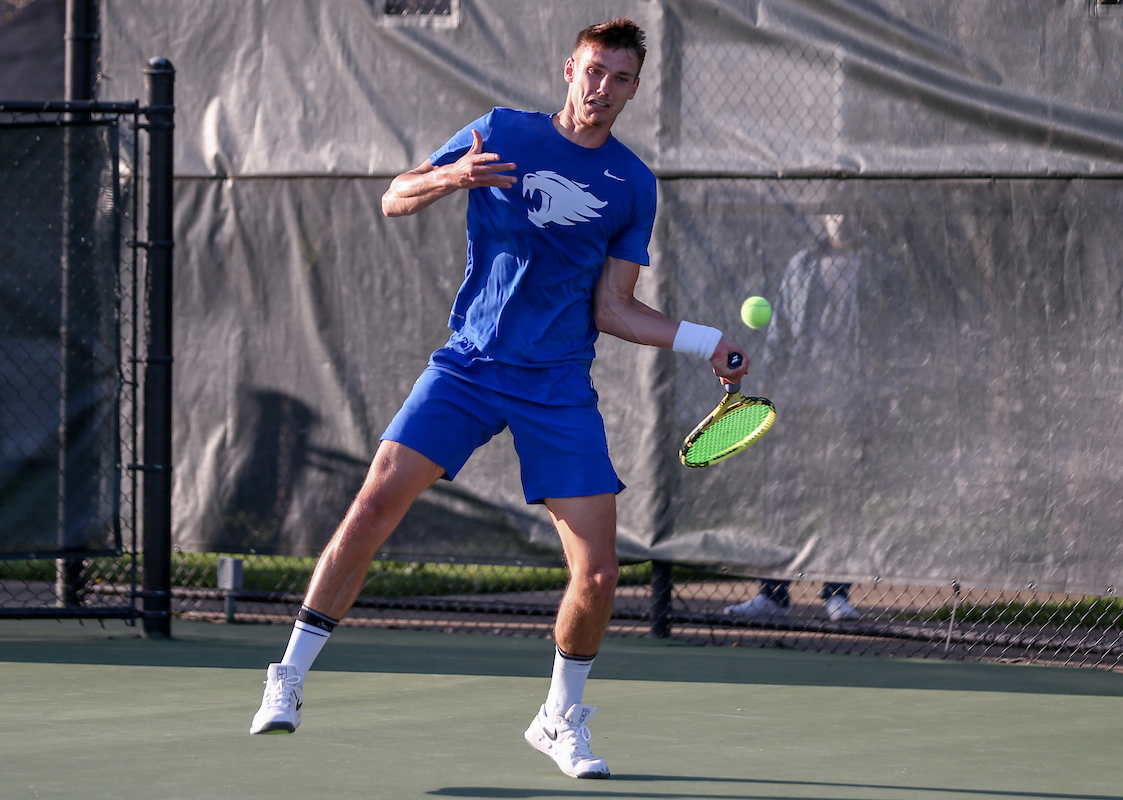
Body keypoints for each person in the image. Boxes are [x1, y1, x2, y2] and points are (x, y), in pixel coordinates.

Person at [248, 19, 748, 780]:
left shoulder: (632, 184)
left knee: (602, 575)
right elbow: (394, 198)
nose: (603, 89)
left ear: (634, 90)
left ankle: (558, 719)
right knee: (373, 505)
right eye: (593, 72)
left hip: (556, 387)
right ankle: (286, 677)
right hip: (469, 366)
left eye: (620, 79)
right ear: (568, 70)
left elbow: (614, 307)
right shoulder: (501, 132)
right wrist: (453, 177)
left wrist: (706, 339)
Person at [722, 208, 909, 624]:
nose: (840, 218)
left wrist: (886, 395)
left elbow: (894, 337)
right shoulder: (802, 265)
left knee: (845, 495)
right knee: (782, 491)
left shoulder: (879, 267)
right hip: (802, 396)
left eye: (848, 209)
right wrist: (768, 382)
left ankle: (837, 595)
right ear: (822, 216)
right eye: (831, 209)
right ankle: (773, 594)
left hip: (853, 399)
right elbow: (783, 330)